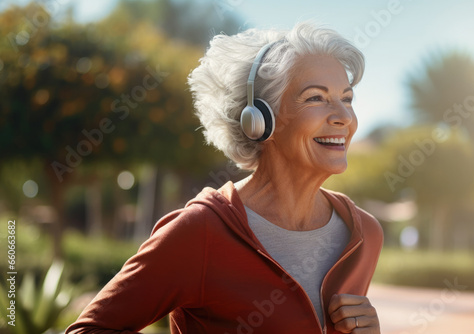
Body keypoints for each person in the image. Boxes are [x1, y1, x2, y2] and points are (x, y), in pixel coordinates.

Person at [66, 22, 383, 334]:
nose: (344, 117)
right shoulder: (201, 231)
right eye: (316, 98)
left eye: (347, 98)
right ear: (260, 119)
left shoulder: (364, 234)